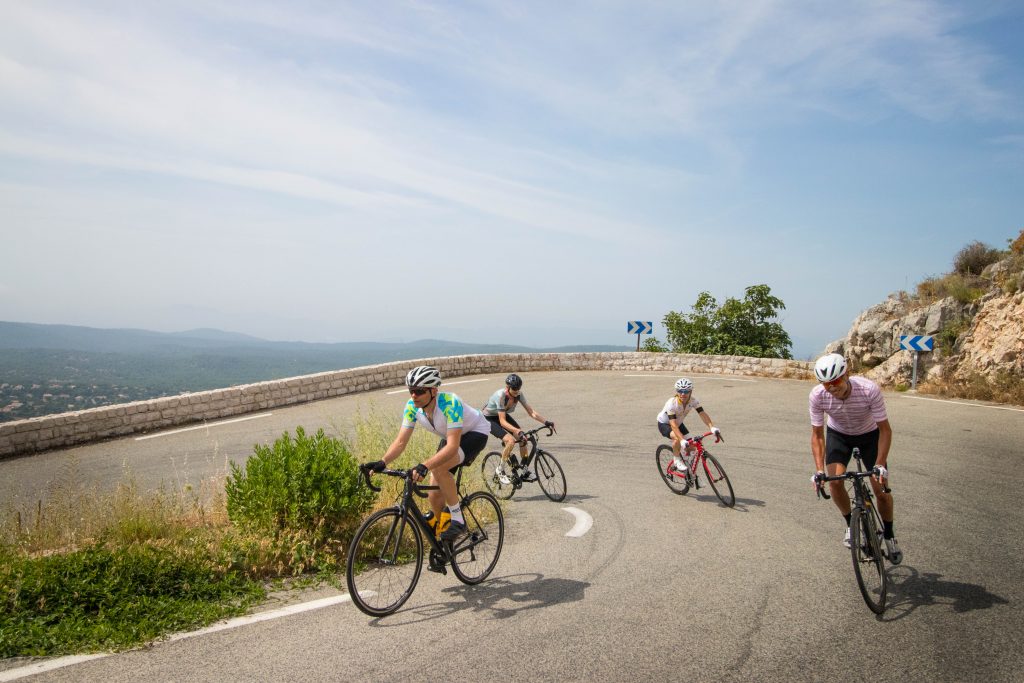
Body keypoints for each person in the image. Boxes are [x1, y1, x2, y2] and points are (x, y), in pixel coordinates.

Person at [365, 366, 490, 546]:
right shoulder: (412, 407)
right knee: (434, 493)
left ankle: (458, 520)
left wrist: (424, 464)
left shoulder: (450, 402)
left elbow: (453, 447)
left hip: (475, 433)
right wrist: (382, 461)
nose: (413, 395)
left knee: (439, 469)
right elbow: (401, 442)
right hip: (450, 436)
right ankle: (444, 535)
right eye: (411, 391)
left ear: (433, 391)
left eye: (418, 391)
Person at [809, 353, 902, 564]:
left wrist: (880, 464)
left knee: (882, 492)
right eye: (825, 384)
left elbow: (885, 430)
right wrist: (819, 470)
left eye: (835, 381)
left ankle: (889, 535)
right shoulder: (817, 396)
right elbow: (817, 435)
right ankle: (851, 525)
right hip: (839, 435)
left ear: (846, 374)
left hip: (869, 436)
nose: (831, 387)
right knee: (835, 482)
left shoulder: (869, 390)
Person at [481, 373, 555, 482]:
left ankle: (524, 471)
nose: (516, 391)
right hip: (489, 418)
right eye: (514, 388)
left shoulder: (519, 395)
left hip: (501, 414)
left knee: (522, 438)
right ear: (508, 387)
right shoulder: (501, 396)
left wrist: (546, 422)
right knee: (510, 441)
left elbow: (531, 412)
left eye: (518, 388)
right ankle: (500, 469)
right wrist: (517, 431)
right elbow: (502, 421)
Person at [656, 378, 721, 473]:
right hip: (665, 424)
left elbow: (702, 413)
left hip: (679, 423)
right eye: (680, 391)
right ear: (677, 391)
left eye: (686, 391)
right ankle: (677, 460)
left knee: (694, 448)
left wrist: (712, 427)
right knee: (678, 439)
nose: (683, 394)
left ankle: (690, 473)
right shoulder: (672, 403)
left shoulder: (693, 401)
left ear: (690, 391)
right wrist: (682, 440)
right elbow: (673, 424)